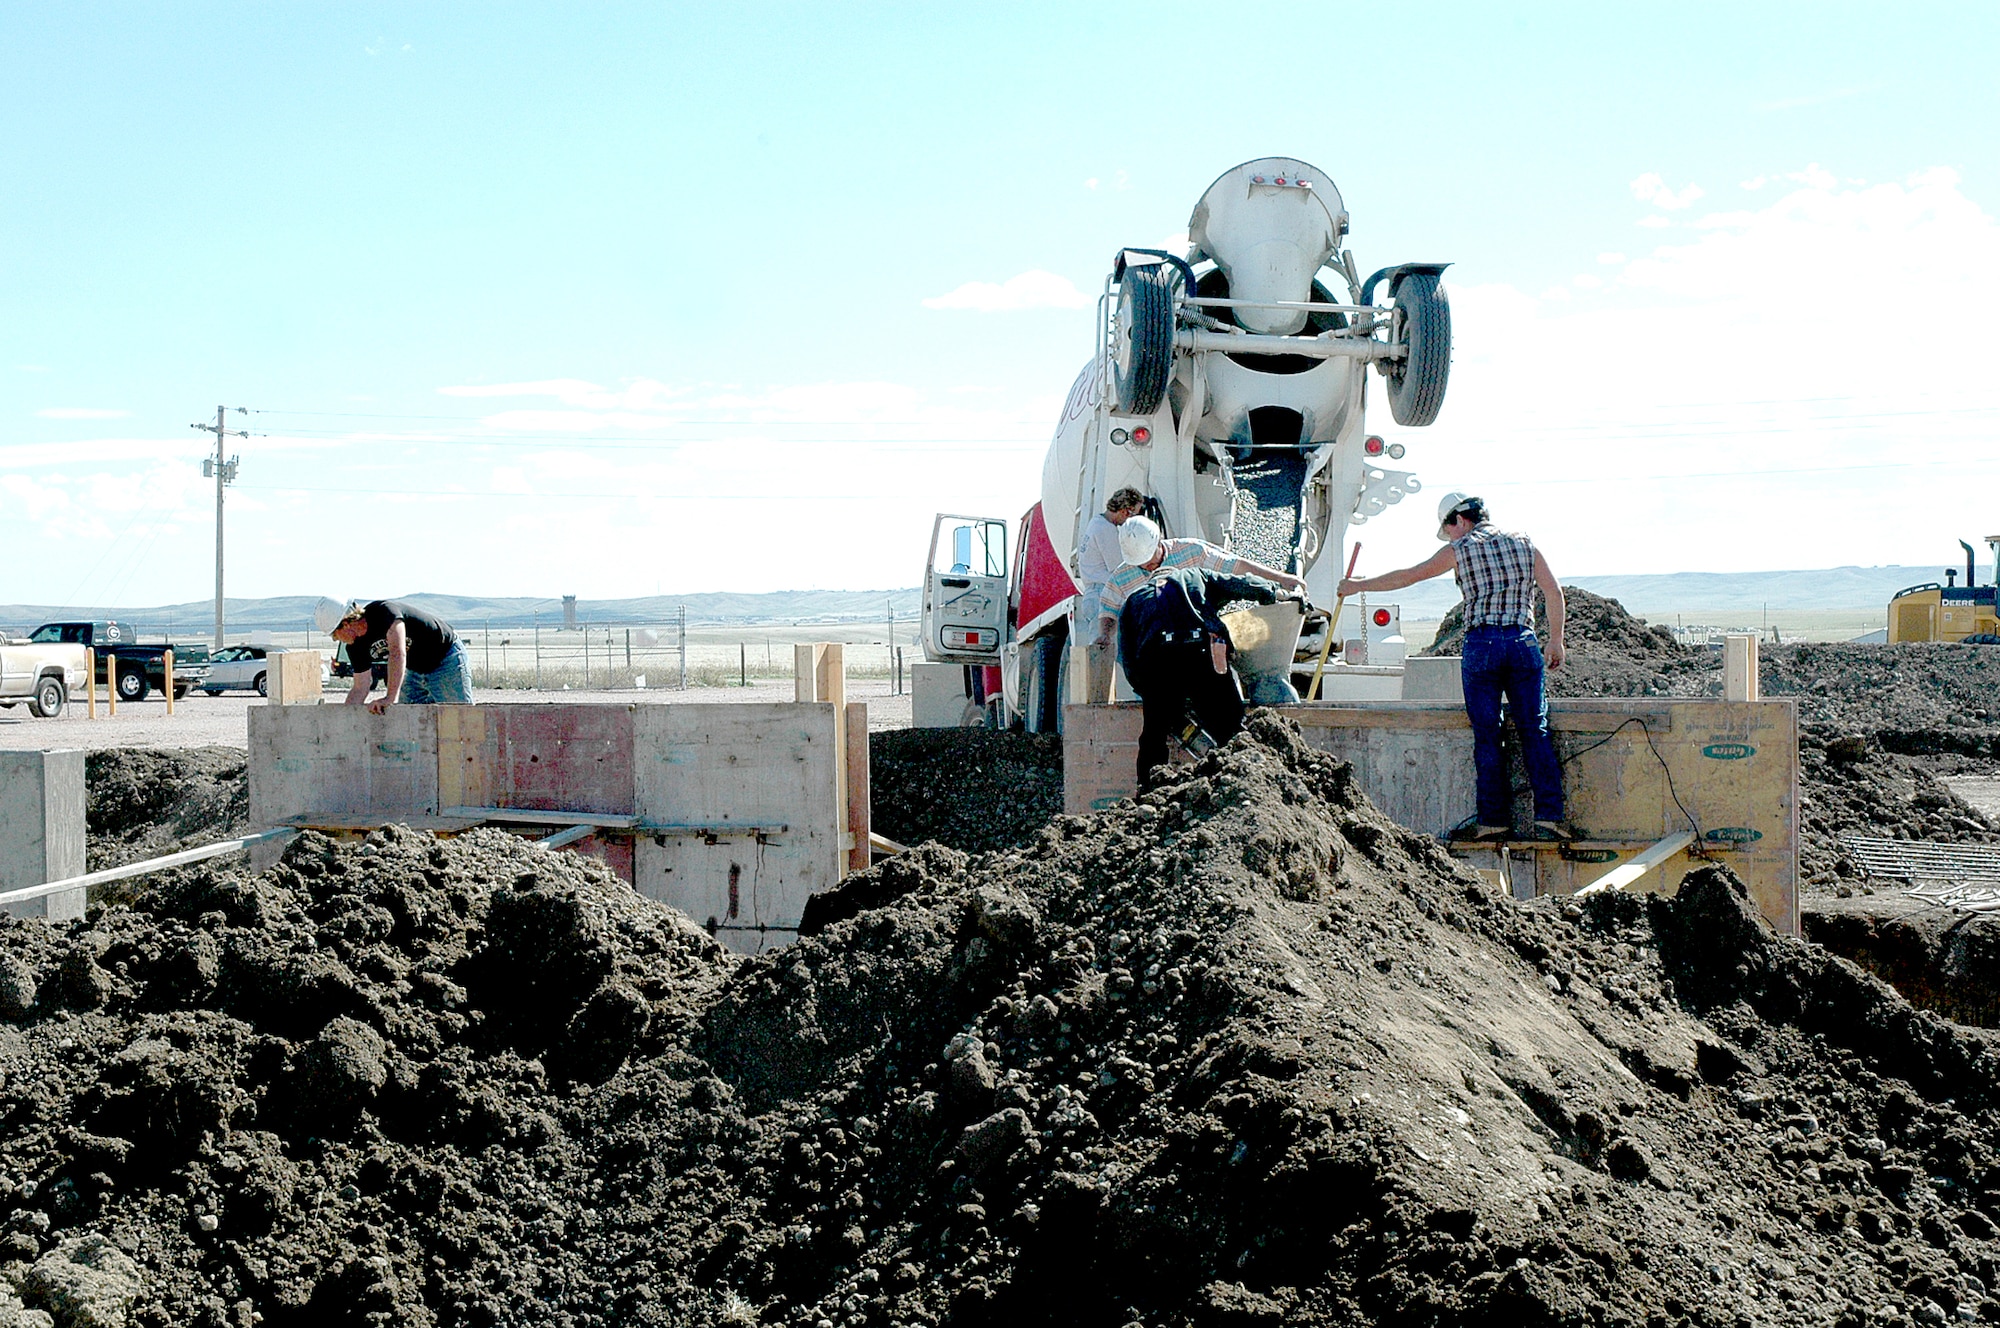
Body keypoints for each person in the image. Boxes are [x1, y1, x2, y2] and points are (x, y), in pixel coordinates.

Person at [1337, 492, 1569, 842]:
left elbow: (1410, 576)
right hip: (1523, 643)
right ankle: (1550, 818)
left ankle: (1492, 821)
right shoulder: (1525, 543)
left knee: (1488, 734)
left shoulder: (1459, 550)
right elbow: (1553, 592)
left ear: (1460, 520)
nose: (1448, 536)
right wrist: (1555, 640)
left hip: (1482, 646)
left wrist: (1358, 586)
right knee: (1534, 729)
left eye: (1448, 529)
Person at [1120, 560, 1300, 785]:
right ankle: (1245, 779)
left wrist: (1148, 692)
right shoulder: (1196, 575)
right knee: (1229, 725)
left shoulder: (1133, 600)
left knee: (1154, 735)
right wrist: (1276, 593)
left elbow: (1127, 657)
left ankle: (1148, 790)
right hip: (1200, 653)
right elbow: (1241, 584)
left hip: (1157, 663)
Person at [1092, 515, 1305, 659]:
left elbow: (1236, 567)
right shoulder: (1121, 578)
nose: (1147, 566)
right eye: (1141, 563)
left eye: (1150, 559)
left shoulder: (1192, 552)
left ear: (1159, 541)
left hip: (1201, 644)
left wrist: (1280, 578)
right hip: (1155, 654)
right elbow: (1108, 609)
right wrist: (1105, 634)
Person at [314, 597, 472, 713]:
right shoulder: (355, 647)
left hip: (445, 658)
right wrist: (345, 718)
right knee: (408, 720)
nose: (336, 639)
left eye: (334, 635)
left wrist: (390, 698)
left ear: (345, 625)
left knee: (460, 717)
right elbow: (360, 687)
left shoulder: (384, 613)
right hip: (416, 669)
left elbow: (397, 653)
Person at [1074, 487, 1146, 702]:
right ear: (1125, 511)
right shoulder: (1106, 531)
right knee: (1120, 653)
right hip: (1103, 594)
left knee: (1104, 654)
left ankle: (1098, 702)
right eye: (1134, 514)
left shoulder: (1096, 523)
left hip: (1094, 593)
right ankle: (1140, 700)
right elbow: (1121, 570)